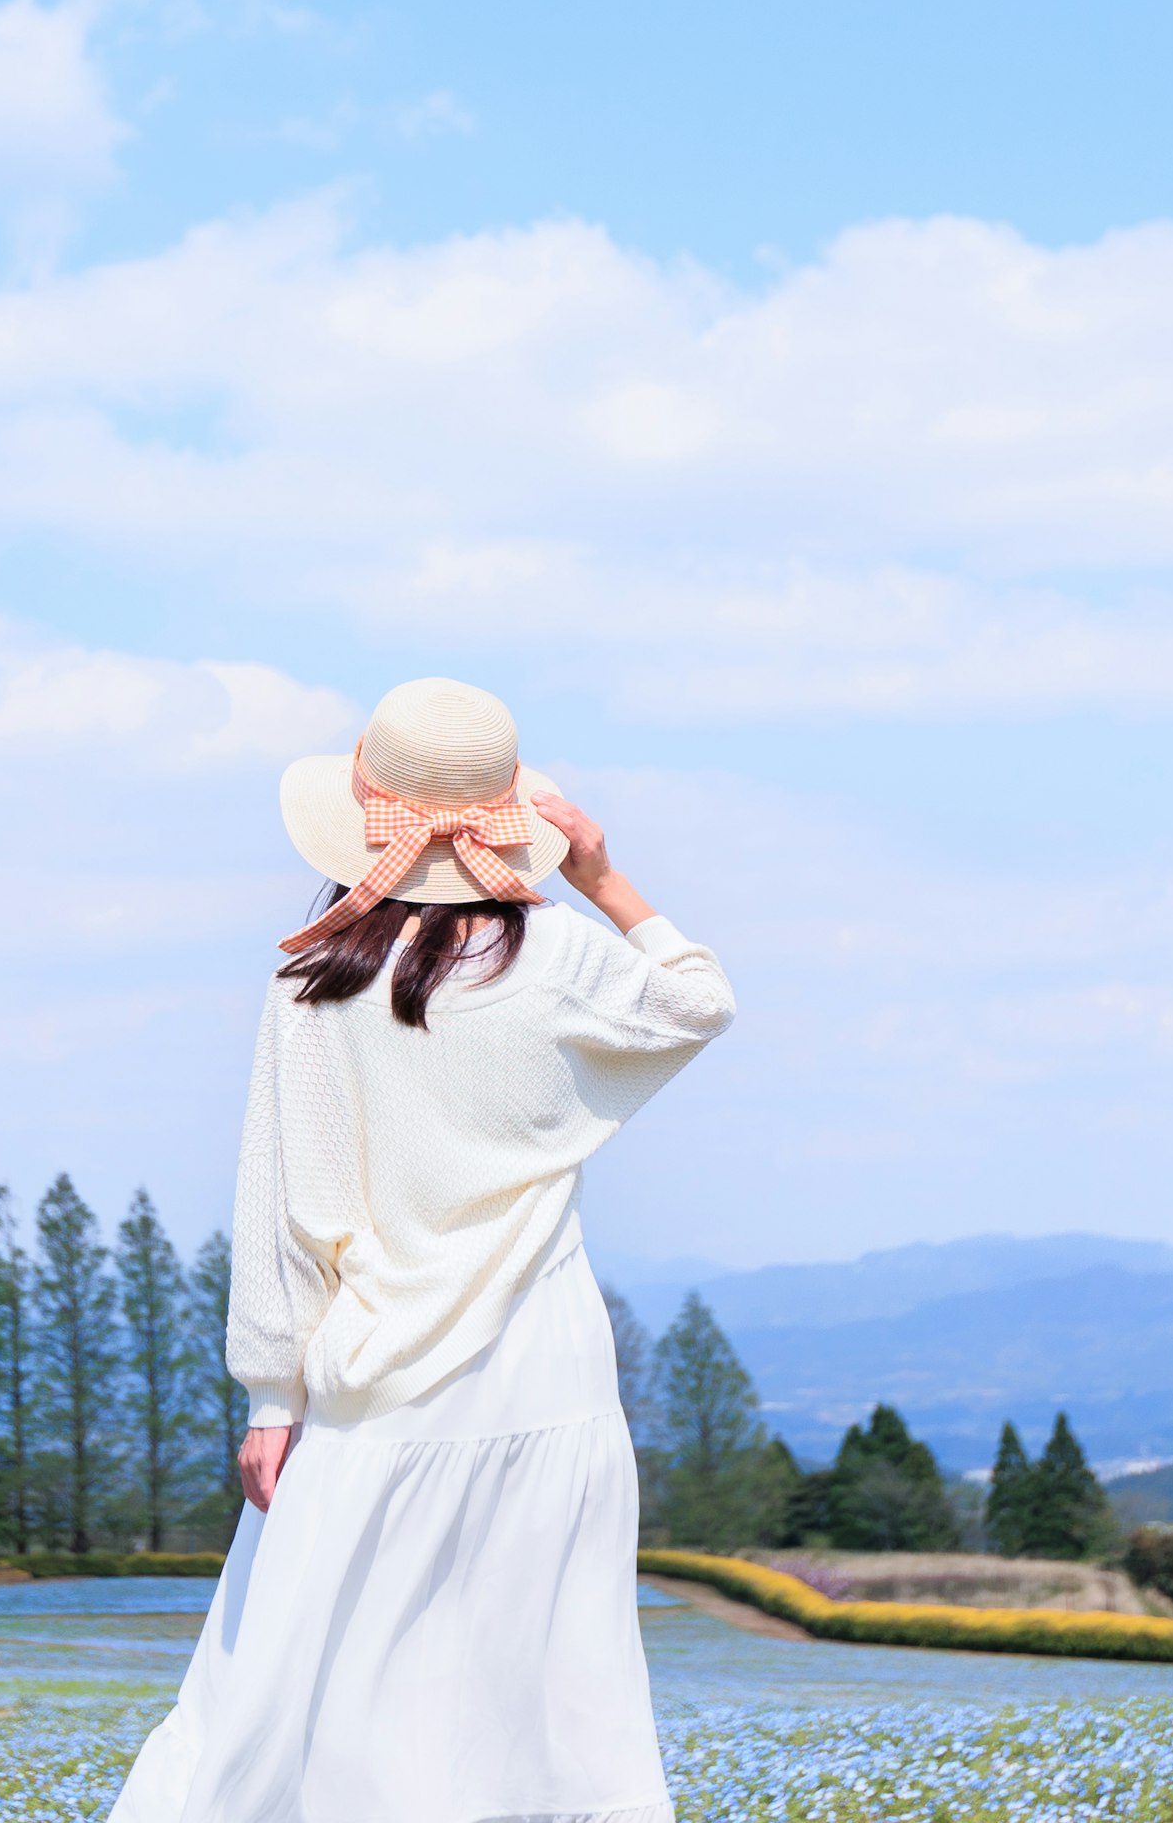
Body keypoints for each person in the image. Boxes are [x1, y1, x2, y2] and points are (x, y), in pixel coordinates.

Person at [108, 676, 737, 1823]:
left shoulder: (314, 976)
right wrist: (599, 874)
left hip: (372, 1376)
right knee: (545, 1697)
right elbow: (700, 1000)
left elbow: (280, 1197)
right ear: (514, 817)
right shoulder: (560, 959)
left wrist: (267, 1392)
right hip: (545, 1373)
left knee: (300, 1690)